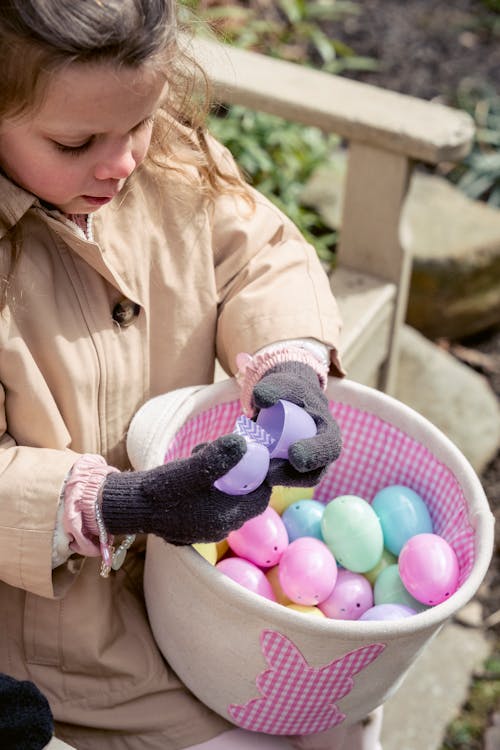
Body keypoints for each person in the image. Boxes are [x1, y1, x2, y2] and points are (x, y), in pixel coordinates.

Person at [0, 2, 382, 749]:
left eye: (139, 122)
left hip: (196, 590)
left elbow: (259, 251)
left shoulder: (170, 162)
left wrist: (289, 362)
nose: (122, 164)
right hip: (59, 650)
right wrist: (118, 503)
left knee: (340, 711)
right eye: (76, 142)